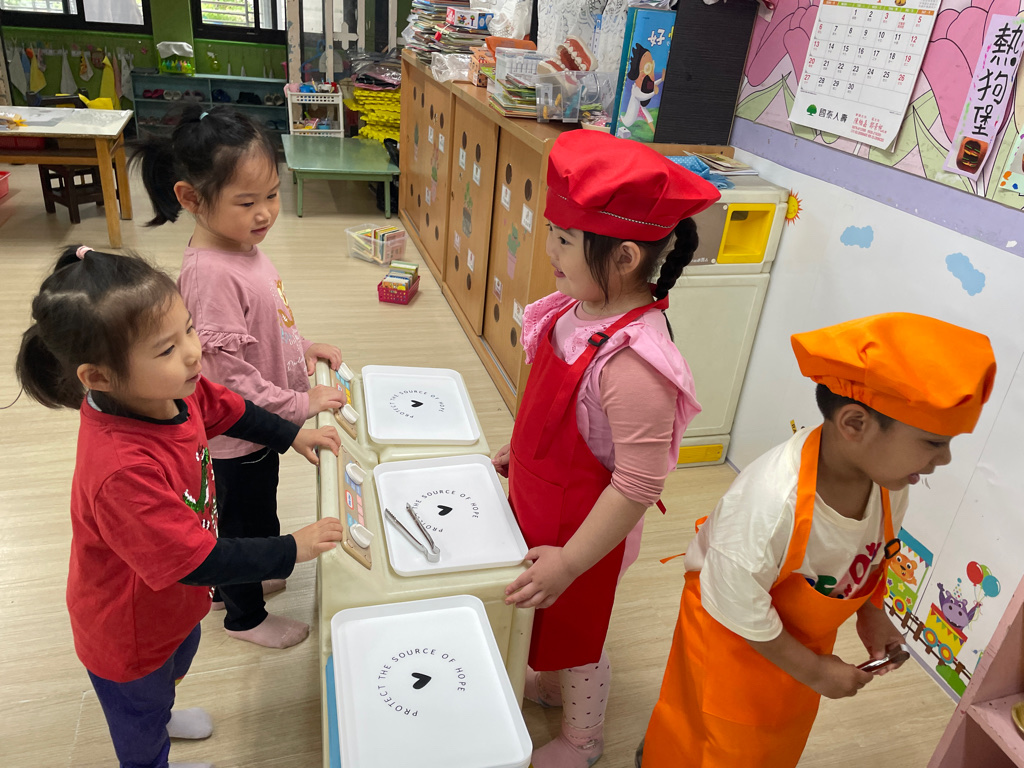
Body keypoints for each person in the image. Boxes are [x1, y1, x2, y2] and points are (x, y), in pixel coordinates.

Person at [14, 246, 346, 768]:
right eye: (167, 348)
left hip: (172, 603)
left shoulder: (171, 390)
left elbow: (230, 408)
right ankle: (154, 753)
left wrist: (291, 435)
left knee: (174, 669)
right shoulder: (121, 470)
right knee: (138, 717)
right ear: (98, 377)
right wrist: (292, 549)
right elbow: (198, 560)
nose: (194, 353)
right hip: (129, 631)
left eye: (188, 329)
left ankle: (163, 716)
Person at [639, 313, 997, 768]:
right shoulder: (769, 504)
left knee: (771, 743)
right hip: (730, 640)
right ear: (855, 423)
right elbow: (733, 601)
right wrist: (812, 670)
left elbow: (870, 553)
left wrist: (871, 613)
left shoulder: (890, 484)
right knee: (713, 741)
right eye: (932, 442)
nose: (944, 459)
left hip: (799, 644)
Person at [491, 129, 720, 768]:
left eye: (564, 240)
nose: (549, 250)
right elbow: (558, 408)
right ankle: (546, 680)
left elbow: (638, 484)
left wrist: (571, 562)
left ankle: (583, 739)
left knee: (578, 634)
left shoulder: (635, 364)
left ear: (623, 257)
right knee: (541, 613)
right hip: (541, 502)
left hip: (588, 534)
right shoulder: (574, 309)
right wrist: (519, 449)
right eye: (552, 232)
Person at [131, 105, 346, 649]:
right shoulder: (210, 275)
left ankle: (246, 579)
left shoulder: (242, 249)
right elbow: (225, 378)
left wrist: (303, 348)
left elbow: (266, 327)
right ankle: (244, 616)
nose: (265, 213)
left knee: (258, 508)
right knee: (241, 523)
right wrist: (298, 406)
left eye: (272, 194)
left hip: (257, 428)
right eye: (247, 202)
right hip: (235, 436)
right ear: (191, 199)